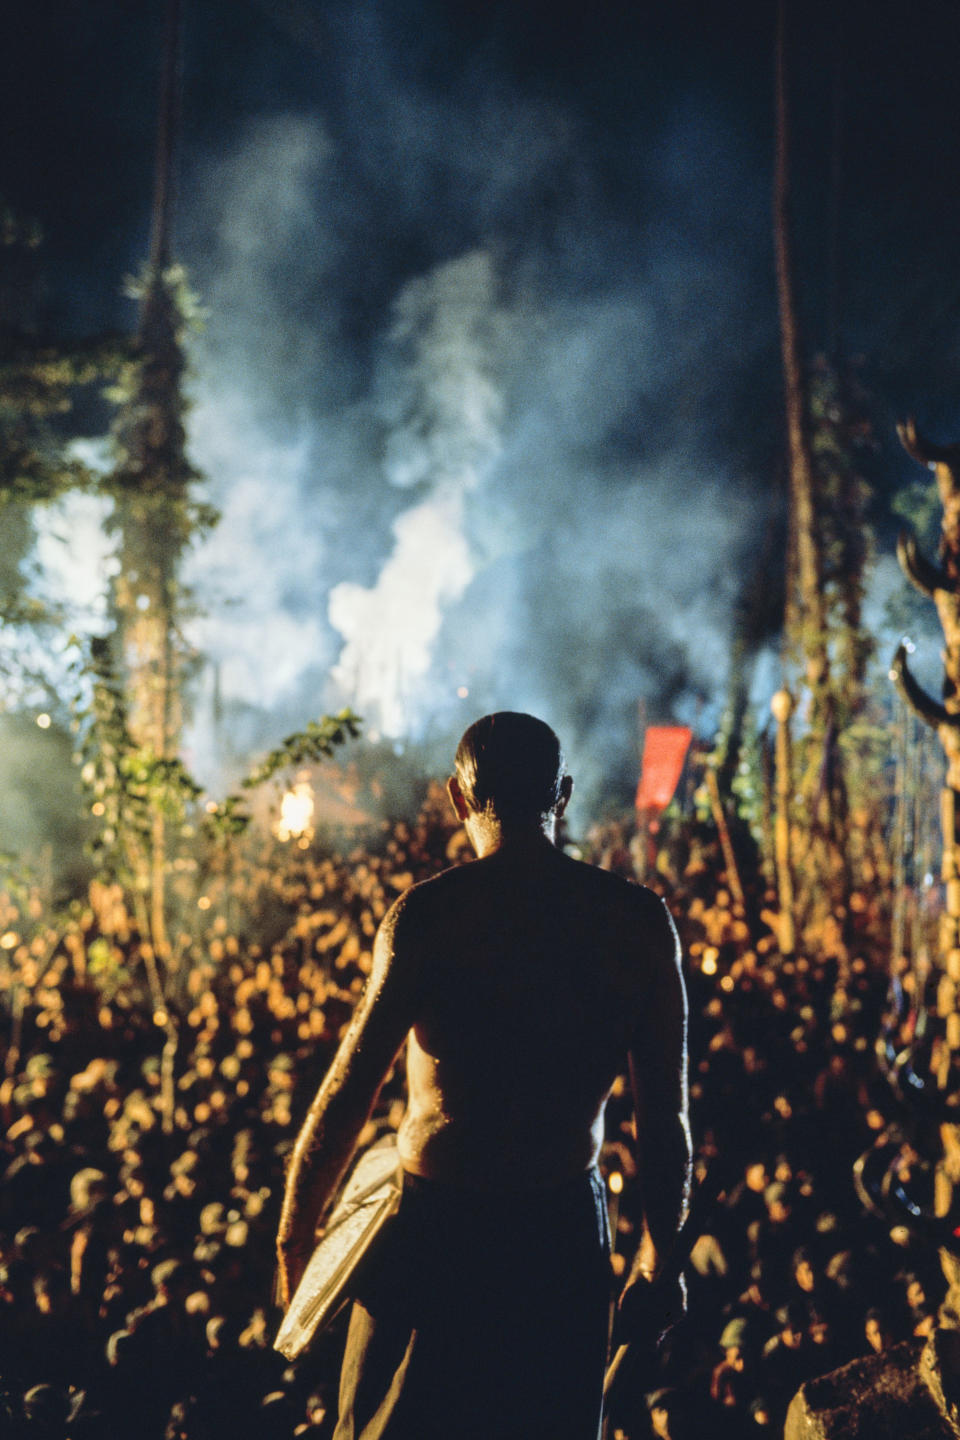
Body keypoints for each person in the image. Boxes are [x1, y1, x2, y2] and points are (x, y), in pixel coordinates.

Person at [276, 711, 692, 1440]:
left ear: (458, 798)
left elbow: (347, 1093)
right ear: (562, 795)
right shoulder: (637, 923)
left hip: (434, 1228)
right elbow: (664, 1120)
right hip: (559, 1232)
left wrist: (295, 1237)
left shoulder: (429, 919)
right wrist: (661, 1256)